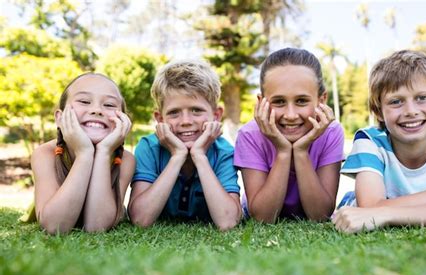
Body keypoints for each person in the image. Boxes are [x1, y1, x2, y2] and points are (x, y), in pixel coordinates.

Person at [332, 50, 426, 233]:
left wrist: (386, 214)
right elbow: (370, 209)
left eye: (422, 98)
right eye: (396, 101)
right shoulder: (370, 141)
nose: (411, 111)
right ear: (378, 111)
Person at [233, 48, 345, 223]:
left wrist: (301, 151)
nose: (291, 115)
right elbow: (263, 218)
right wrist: (283, 152)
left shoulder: (331, 132)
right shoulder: (249, 135)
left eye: (301, 101)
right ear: (261, 102)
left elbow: (320, 215)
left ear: (321, 101)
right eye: (279, 102)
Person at [128, 60, 241, 231]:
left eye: (196, 110)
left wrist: (199, 156)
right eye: (174, 113)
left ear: (216, 115)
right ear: (160, 119)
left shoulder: (224, 152)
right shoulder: (148, 148)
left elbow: (228, 222)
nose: (186, 122)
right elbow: (140, 220)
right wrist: (178, 156)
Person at [30, 73, 135, 234]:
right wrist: (84, 153)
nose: (96, 110)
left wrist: (104, 152)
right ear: (60, 117)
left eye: (109, 105)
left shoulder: (126, 160)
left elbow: (97, 226)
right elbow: (54, 226)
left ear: (124, 120)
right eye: (84, 101)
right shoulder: (45, 154)